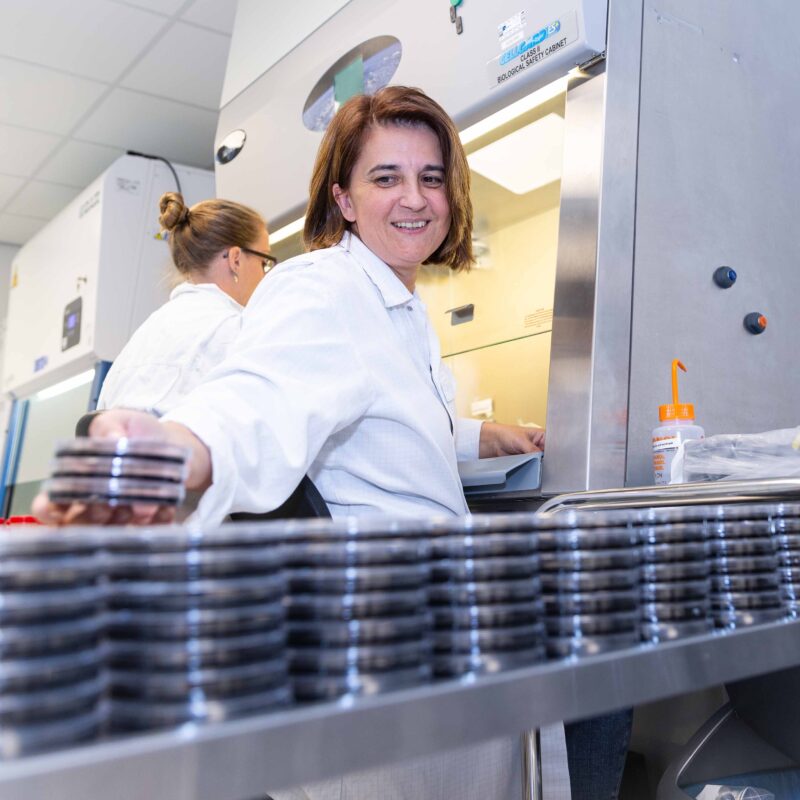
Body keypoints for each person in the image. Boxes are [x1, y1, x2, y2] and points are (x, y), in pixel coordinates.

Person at [34, 86, 626, 800]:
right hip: (387, 639)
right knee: (608, 645)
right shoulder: (323, 287)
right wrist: (177, 447)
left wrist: (482, 435)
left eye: (431, 177)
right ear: (343, 198)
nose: (415, 198)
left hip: (404, 628)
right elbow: (259, 398)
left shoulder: (397, 305)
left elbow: (386, 416)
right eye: (386, 178)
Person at [96, 192, 273, 415]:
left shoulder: (143, 336)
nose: (265, 276)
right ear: (235, 259)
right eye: (264, 262)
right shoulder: (235, 330)